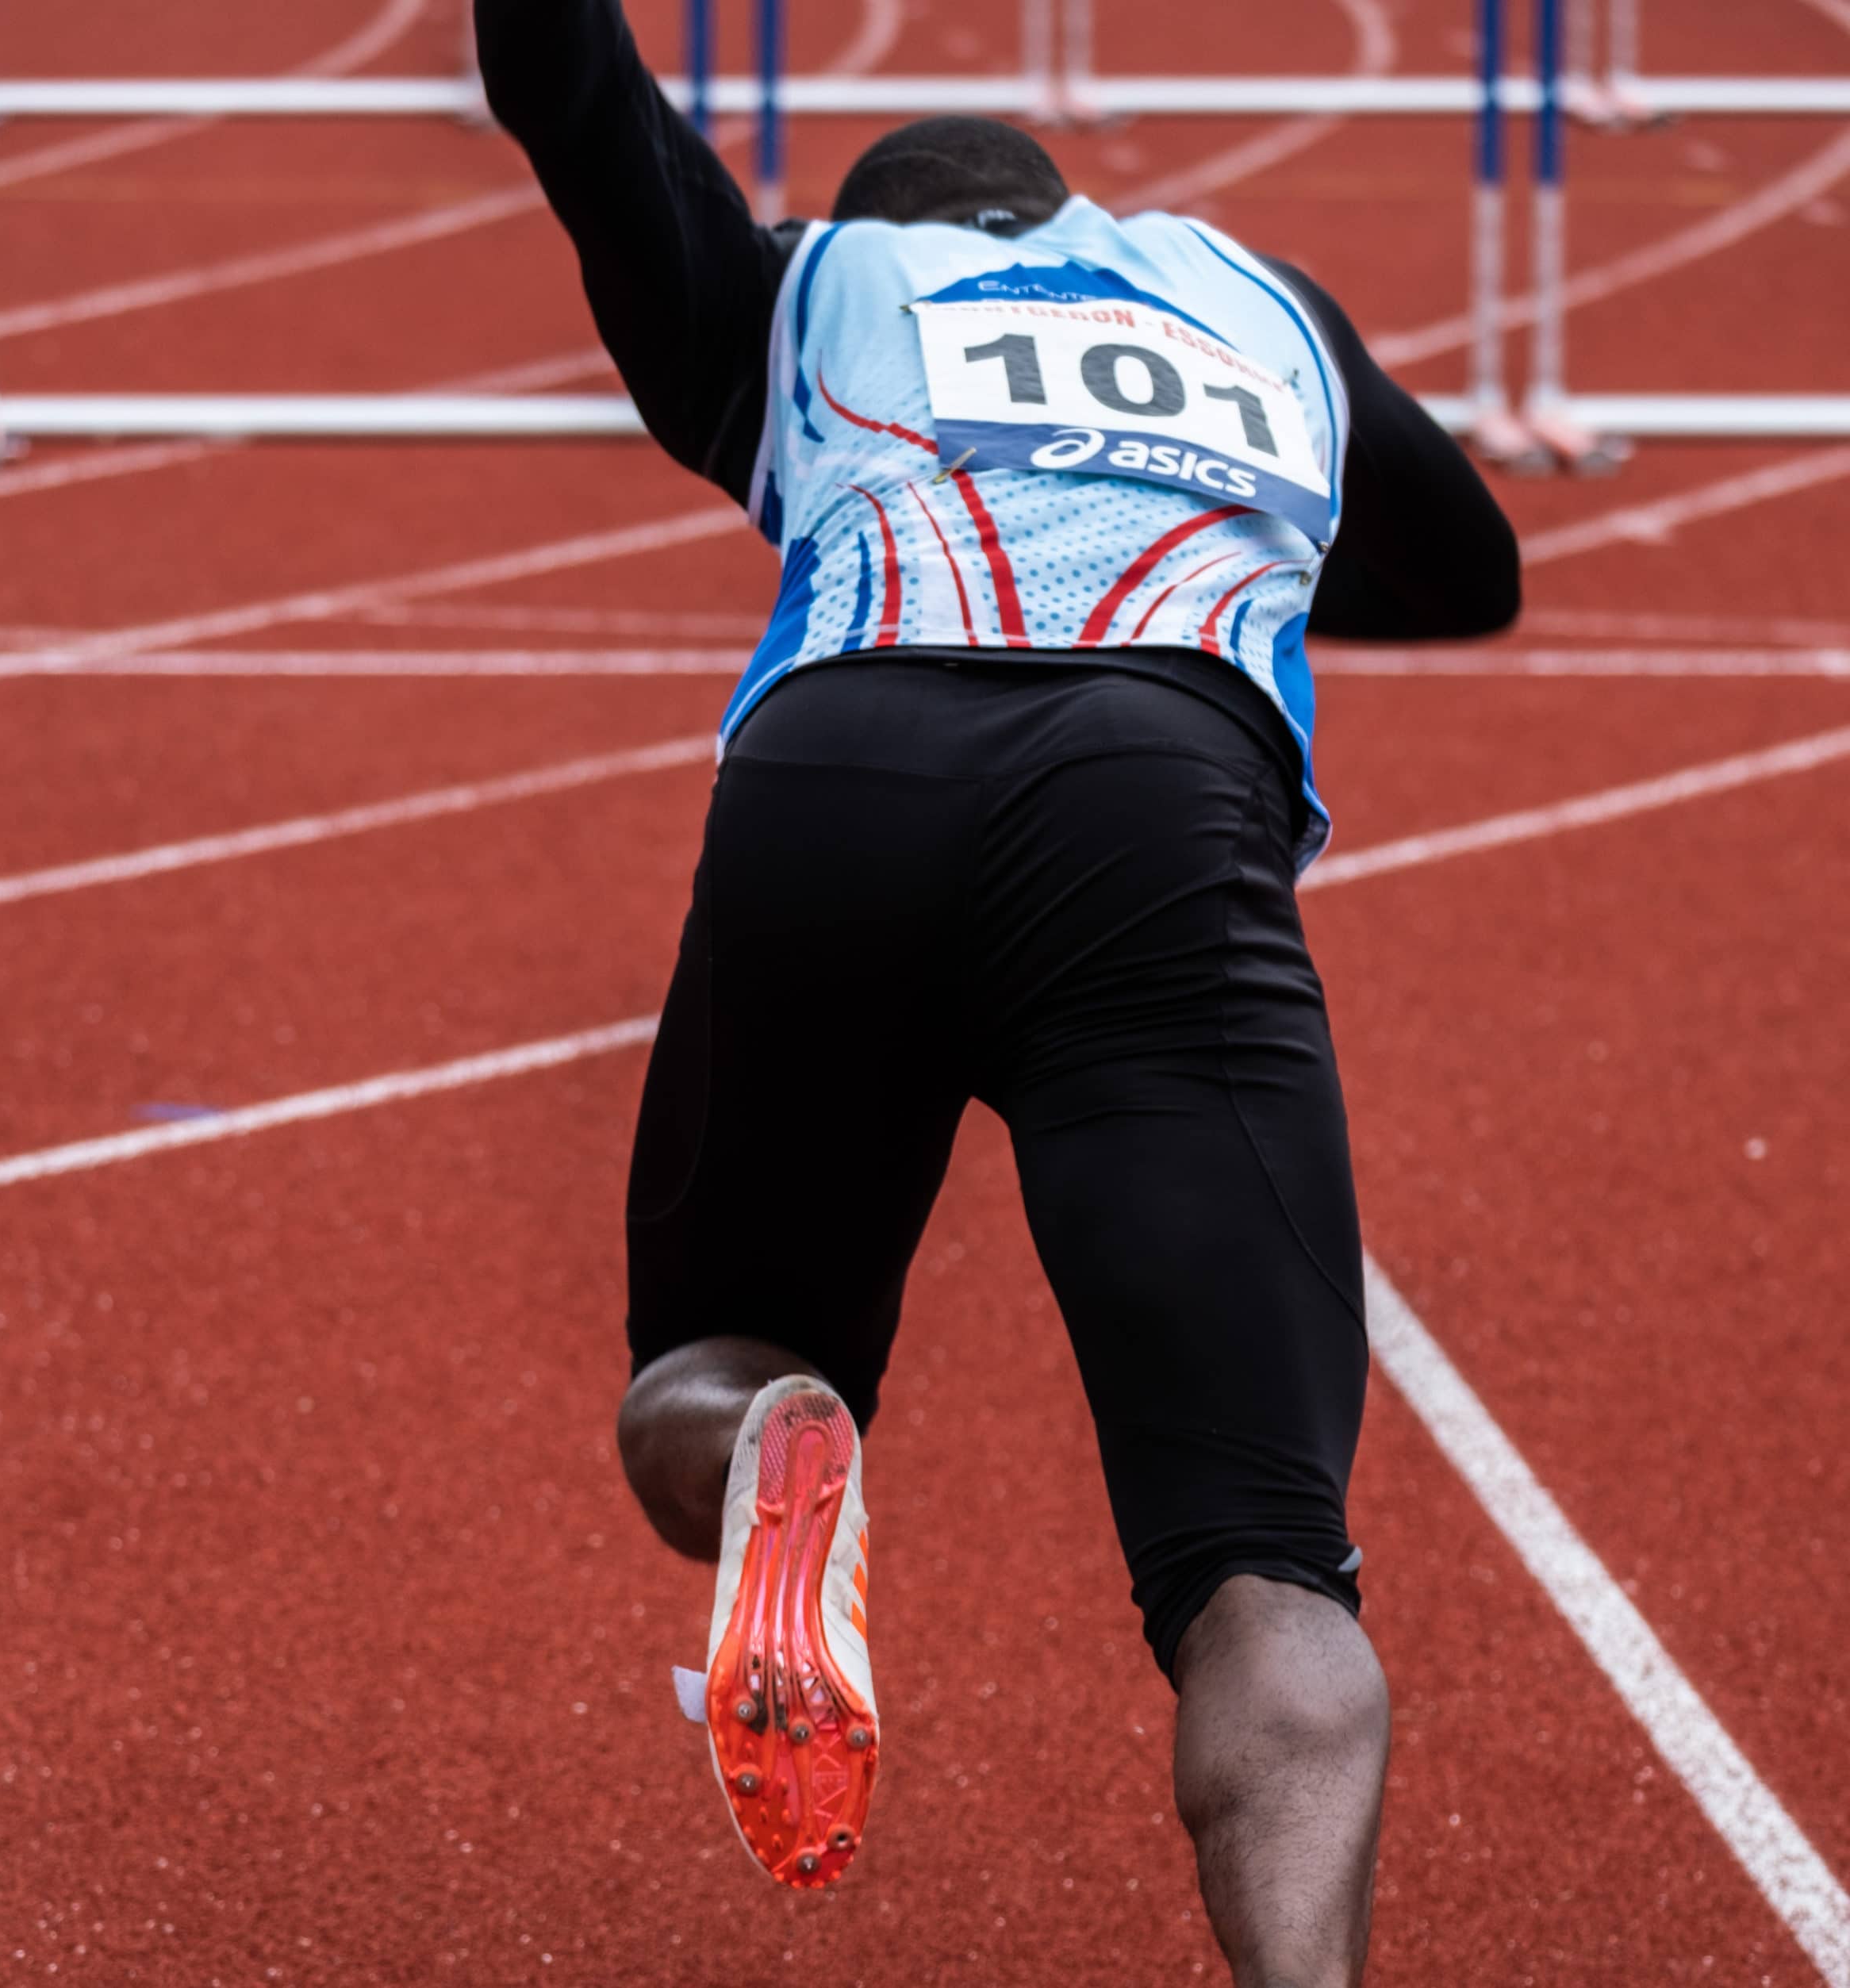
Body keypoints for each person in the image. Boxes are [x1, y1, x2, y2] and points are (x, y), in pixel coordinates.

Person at [475, 5, 1520, 1981]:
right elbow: (1469, 571)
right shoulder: (1251, 301)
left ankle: (776, 1423)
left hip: (835, 773)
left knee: (694, 1365)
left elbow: (566, 89)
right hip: (1154, 799)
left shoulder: (793, 292)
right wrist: (1258, 536)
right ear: (1061, 207)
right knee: (1258, 1563)